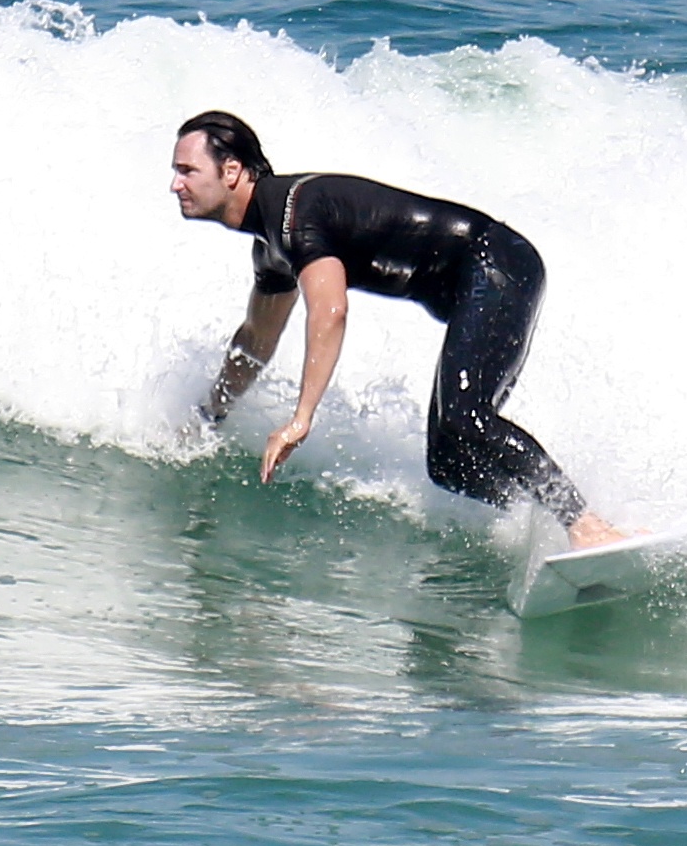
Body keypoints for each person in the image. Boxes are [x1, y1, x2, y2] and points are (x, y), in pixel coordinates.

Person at [170, 109, 627, 550]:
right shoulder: (270, 248)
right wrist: (211, 414)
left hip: (497, 264)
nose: (176, 184)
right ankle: (544, 518)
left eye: (188, 170)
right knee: (447, 464)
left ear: (231, 171)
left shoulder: (294, 215)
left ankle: (585, 521)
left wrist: (300, 419)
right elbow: (256, 338)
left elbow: (330, 311)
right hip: (476, 287)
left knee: (465, 418)